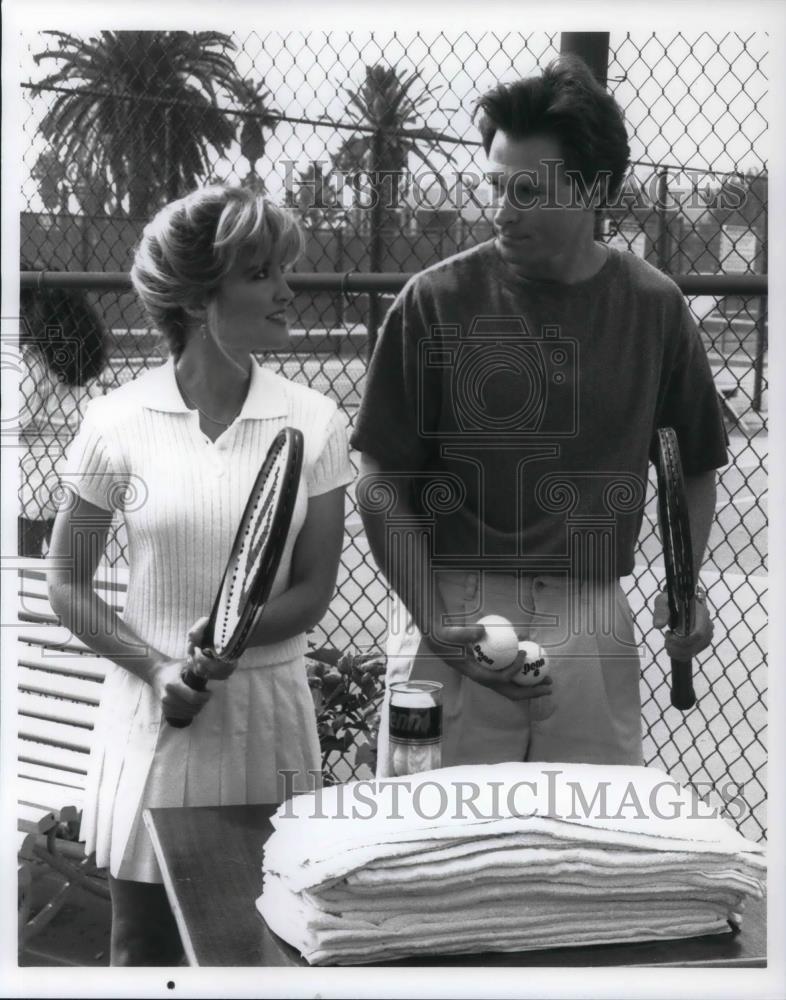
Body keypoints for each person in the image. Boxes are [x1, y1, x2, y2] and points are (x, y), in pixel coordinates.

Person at [351, 56, 727, 773]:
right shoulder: (432, 301)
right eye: (496, 185)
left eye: (527, 189)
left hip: (592, 616)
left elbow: (693, 467)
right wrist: (434, 618)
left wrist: (687, 585)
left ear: (592, 190)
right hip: (453, 607)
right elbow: (380, 478)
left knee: (586, 855)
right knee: (433, 854)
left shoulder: (655, 307)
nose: (502, 209)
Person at [48, 185, 353, 965]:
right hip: (150, 721)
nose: (288, 290)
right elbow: (68, 583)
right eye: (261, 273)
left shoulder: (315, 421)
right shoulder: (114, 420)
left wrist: (229, 642)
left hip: (270, 719)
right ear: (196, 295)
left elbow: (313, 590)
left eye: (285, 269)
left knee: (267, 956)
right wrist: (157, 669)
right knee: (140, 950)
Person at [18, 271, 107, 556]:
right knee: (69, 568)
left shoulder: (34, 361)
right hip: (75, 469)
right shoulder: (84, 360)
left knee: (23, 565)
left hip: (29, 478)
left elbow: (14, 418)